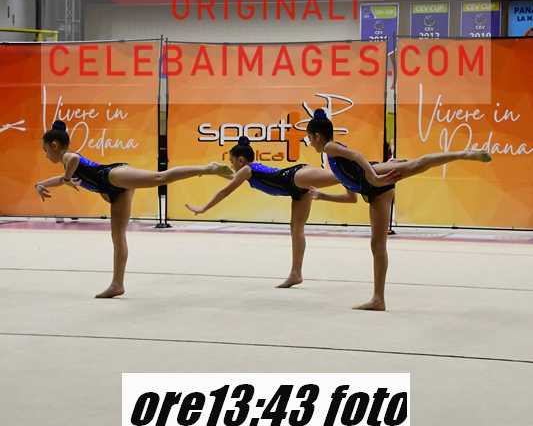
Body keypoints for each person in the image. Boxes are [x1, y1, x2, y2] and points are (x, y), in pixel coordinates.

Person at [306, 109, 492, 311]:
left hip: (376, 178)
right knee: (377, 245)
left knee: (417, 164)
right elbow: (351, 198)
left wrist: (375, 176)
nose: (310, 142)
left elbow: (357, 156)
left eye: (309, 138)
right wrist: (323, 196)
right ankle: (378, 299)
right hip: (376, 191)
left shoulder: (330, 147)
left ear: (317, 136)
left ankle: (464, 154)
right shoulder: (333, 159)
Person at [36, 120, 232, 298]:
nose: (46, 155)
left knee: (159, 177)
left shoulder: (68, 157)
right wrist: (41, 184)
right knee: (118, 237)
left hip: (111, 175)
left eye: (45, 150)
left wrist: (67, 178)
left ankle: (208, 169)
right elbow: (61, 179)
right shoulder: (65, 165)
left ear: (54, 145)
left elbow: (74, 160)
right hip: (113, 191)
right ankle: (117, 284)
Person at [185, 135, 374, 289]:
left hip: (296, 176)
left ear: (241, 160)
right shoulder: (247, 171)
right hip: (295, 189)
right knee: (296, 229)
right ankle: (295, 274)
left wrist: (203, 208)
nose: (232, 165)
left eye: (232, 161)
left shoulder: (247, 170)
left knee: (340, 175)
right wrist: (215, 170)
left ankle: (377, 167)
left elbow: (225, 191)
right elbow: (232, 177)